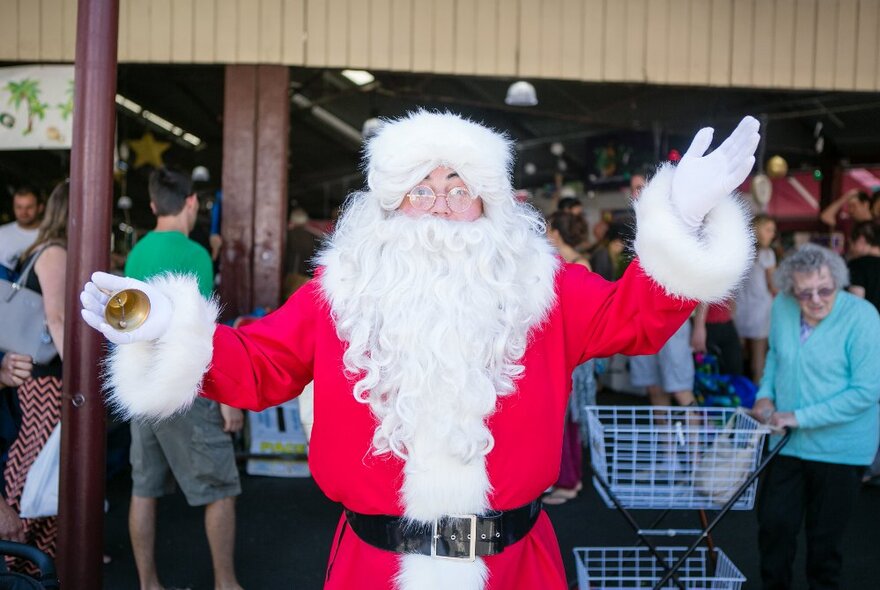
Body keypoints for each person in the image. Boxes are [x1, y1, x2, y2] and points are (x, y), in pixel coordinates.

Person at [82, 111, 759, 590]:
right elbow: (259, 364)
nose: (439, 203)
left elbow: (631, 317)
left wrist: (683, 220)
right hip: (375, 570)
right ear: (391, 202)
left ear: (488, 201)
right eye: (422, 188)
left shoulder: (541, 287)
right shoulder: (341, 292)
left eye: (459, 187)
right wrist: (169, 328)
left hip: (515, 569)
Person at [122, 168, 244, 590]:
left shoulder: (136, 253)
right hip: (183, 387)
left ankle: (147, 583)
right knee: (221, 486)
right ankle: (226, 583)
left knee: (143, 488)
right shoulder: (194, 256)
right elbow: (202, 333)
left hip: (140, 381)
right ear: (191, 203)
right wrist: (229, 397)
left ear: (154, 206)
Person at [753, 243, 880, 590]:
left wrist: (799, 416)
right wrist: (765, 397)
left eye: (824, 290)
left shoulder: (863, 316)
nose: (815, 300)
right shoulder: (781, 306)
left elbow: (867, 391)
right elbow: (777, 358)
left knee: (824, 547)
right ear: (790, 288)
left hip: (839, 449)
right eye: (804, 292)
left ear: (837, 282)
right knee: (773, 528)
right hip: (787, 444)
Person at [0, 183, 66, 573]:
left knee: (40, 469)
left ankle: (36, 561)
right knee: (36, 471)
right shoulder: (55, 251)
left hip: (32, 375)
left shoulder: (38, 248)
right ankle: (18, 558)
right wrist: (81, 376)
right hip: (45, 377)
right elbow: (56, 318)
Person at [542, 212, 591, 505]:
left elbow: (579, 316)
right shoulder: (554, 262)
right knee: (560, 418)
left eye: (548, 228)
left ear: (557, 233)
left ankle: (570, 480)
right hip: (561, 350)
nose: (546, 233)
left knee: (569, 419)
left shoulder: (578, 265)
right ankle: (563, 477)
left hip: (573, 352)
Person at [734, 214, 777, 384]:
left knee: (740, 354)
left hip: (739, 310)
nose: (772, 234)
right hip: (761, 310)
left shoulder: (739, 252)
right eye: (768, 229)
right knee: (759, 359)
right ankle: (758, 395)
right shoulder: (767, 254)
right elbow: (773, 285)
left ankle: (740, 390)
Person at [0, 187, 43, 279]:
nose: (23, 212)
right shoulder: (2, 233)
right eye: (19, 207)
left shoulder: (49, 235)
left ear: (40, 208)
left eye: (29, 207)